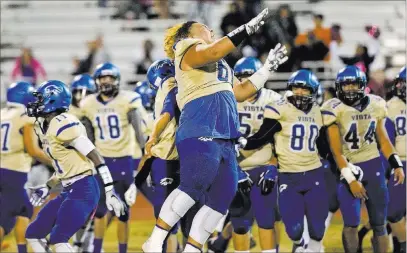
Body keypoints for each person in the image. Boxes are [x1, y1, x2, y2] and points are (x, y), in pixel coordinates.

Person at [141, 8, 289, 252]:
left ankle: (193, 248)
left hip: (225, 134)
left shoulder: (219, 64)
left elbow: (241, 92)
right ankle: (155, 240)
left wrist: (266, 69)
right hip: (200, 125)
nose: (209, 30)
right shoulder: (186, 47)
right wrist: (246, 29)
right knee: (193, 184)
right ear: (187, 33)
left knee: (221, 199)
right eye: (203, 27)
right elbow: (215, 49)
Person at [24, 80, 125, 253]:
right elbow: (66, 167)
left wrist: (110, 190)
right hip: (68, 189)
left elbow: (95, 156)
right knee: (33, 233)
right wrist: (47, 186)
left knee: (59, 239)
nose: (37, 103)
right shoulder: (45, 127)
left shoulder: (64, 123)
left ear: (52, 100)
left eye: (41, 99)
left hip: (84, 189)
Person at [241, 69, 329, 253]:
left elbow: (322, 146)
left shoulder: (317, 112)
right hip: (288, 174)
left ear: (313, 92)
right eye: (296, 88)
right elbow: (262, 137)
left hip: (314, 173)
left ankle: (313, 247)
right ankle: (300, 244)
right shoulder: (280, 108)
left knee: (318, 227)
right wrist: (242, 142)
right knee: (294, 229)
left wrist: (338, 162)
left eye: (305, 90)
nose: (300, 93)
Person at [321, 66, 405, 253]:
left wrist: (396, 164)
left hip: (373, 165)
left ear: (362, 85)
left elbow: (383, 140)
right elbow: (336, 151)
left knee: (380, 224)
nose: (350, 89)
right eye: (346, 85)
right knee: (351, 223)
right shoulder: (333, 108)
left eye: (354, 84)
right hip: (348, 167)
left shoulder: (376, 104)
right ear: (339, 87)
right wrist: (351, 179)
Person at [80, 63, 145, 253]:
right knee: (100, 211)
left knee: (123, 211)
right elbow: (89, 138)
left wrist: (145, 156)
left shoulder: (128, 100)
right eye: (102, 78)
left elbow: (139, 134)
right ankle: (96, 249)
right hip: (102, 162)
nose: (106, 81)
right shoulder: (88, 103)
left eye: (109, 78)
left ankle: (122, 250)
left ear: (116, 80)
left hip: (124, 160)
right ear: (97, 81)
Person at [230, 57, 282, 252]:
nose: (245, 83)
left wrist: (273, 165)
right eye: (241, 78)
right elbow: (220, 140)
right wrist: (233, 169)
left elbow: (281, 138)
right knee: (240, 222)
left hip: (263, 166)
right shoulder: (228, 99)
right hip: (234, 168)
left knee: (266, 218)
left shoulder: (273, 99)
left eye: (249, 78)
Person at [0, 81, 51, 253]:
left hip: (3, 170)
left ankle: (22, 250)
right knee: (6, 220)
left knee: (24, 210)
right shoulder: (24, 116)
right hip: (14, 173)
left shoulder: (2, 113)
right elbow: (33, 150)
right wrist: (55, 162)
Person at [384, 66, 406, 252]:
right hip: (400, 164)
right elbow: (386, 140)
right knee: (393, 212)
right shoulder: (391, 106)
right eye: (403, 83)